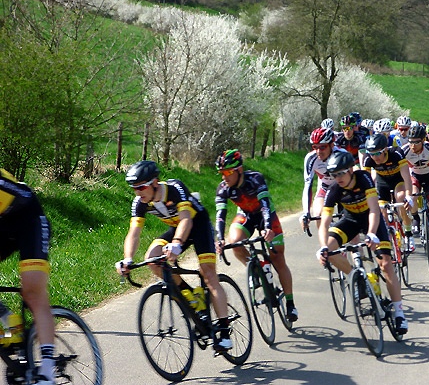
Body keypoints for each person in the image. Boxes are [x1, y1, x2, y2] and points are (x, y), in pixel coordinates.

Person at [116, 160, 232, 351]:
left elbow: (186, 219)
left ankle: (225, 331)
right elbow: (134, 233)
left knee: (209, 276)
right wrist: (127, 258)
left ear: (155, 182)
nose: (138, 192)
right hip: (177, 229)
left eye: (142, 187)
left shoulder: (175, 188)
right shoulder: (140, 203)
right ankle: (191, 296)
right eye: (134, 188)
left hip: (198, 226)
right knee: (153, 259)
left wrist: (177, 244)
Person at [315, 151, 408, 334]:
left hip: (371, 220)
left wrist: (372, 234)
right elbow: (324, 221)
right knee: (331, 251)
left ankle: (399, 313)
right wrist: (323, 247)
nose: (338, 178)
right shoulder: (334, 190)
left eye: (341, 173)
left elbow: (374, 209)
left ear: (350, 169)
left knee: (386, 265)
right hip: (350, 221)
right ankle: (355, 278)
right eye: (334, 175)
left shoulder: (364, 178)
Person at [214, 150, 298, 322]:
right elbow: (220, 215)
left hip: (266, 216)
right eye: (221, 173)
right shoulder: (223, 188)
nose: (224, 177)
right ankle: (254, 267)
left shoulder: (255, 179)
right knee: (234, 242)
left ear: (239, 170)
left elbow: (265, 205)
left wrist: (267, 228)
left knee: (278, 258)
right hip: (246, 216)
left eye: (228, 172)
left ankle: (290, 303)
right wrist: (219, 239)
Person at [0, 169, 56, 384]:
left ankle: (48, 372)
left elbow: (23, 196)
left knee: (32, 290)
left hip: (28, 220)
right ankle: (8, 321)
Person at [400, 125, 429, 258]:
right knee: (412, 195)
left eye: (416, 142)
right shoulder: (404, 151)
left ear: (423, 140)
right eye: (410, 141)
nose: (413, 145)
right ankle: (415, 217)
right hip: (414, 177)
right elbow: (401, 173)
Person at [362, 134, 415, 251]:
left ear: (385, 149)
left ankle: (408, 233)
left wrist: (408, 195)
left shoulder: (396, 153)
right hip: (382, 184)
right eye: (371, 154)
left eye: (377, 153)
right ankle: (388, 242)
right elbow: (364, 182)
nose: (375, 157)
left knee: (401, 198)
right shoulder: (368, 159)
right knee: (382, 212)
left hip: (398, 181)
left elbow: (406, 177)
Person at [300, 127, 347, 230]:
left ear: (331, 145)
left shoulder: (342, 154)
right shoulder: (311, 159)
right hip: (325, 187)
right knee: (318, 216)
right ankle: (326, 244)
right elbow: (307, 186)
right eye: (315, 147)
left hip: (343, 188)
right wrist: (306, 213)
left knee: (349, 224)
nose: (318, 151)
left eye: (322, 147)